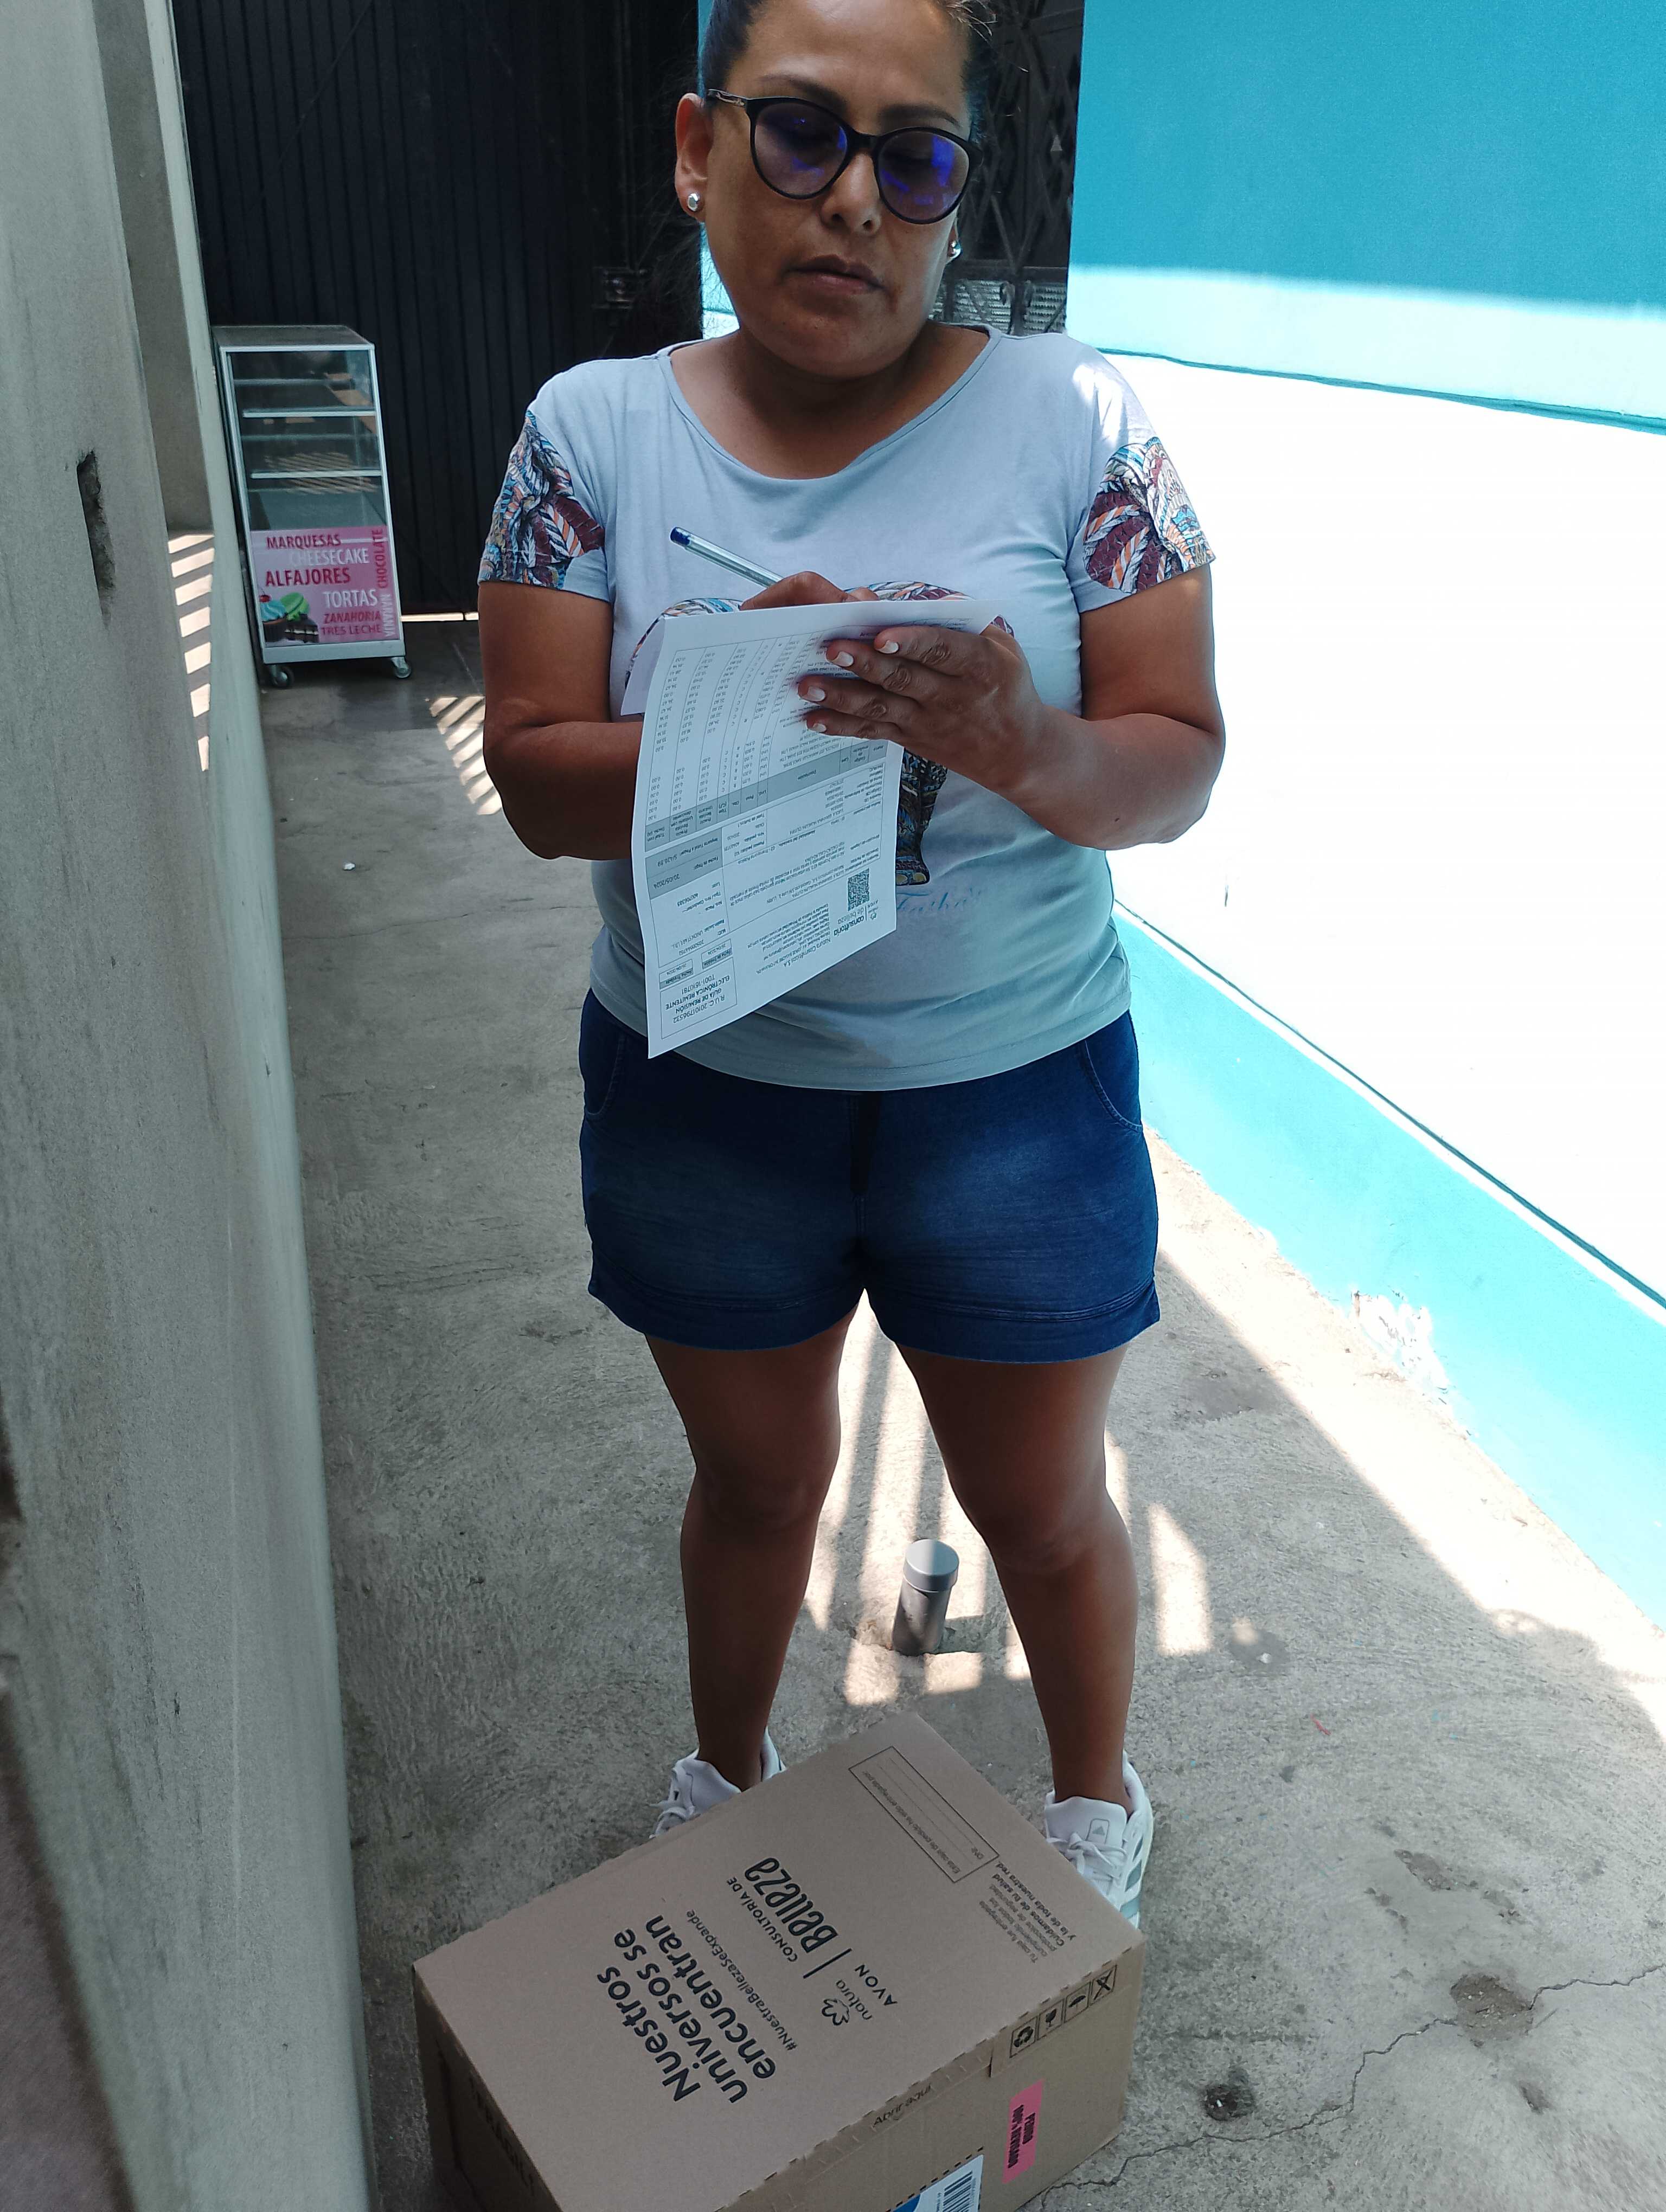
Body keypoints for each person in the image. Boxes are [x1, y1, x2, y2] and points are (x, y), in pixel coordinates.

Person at [476, 0, 1224, 1928]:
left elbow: (1176, 761)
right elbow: (536, 777)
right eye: (801, 133)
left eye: (917, 156)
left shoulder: (1081, 424)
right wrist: (760, 706)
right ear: (696, 146)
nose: (856, 202)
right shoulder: (591, 435)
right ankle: (724, 1772)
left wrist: (1018, 741)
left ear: (959, 192)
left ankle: (1093, 1800)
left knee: (1039, 1504)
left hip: (1015, 1093)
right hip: (708, 1093)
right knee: (751, 1487)